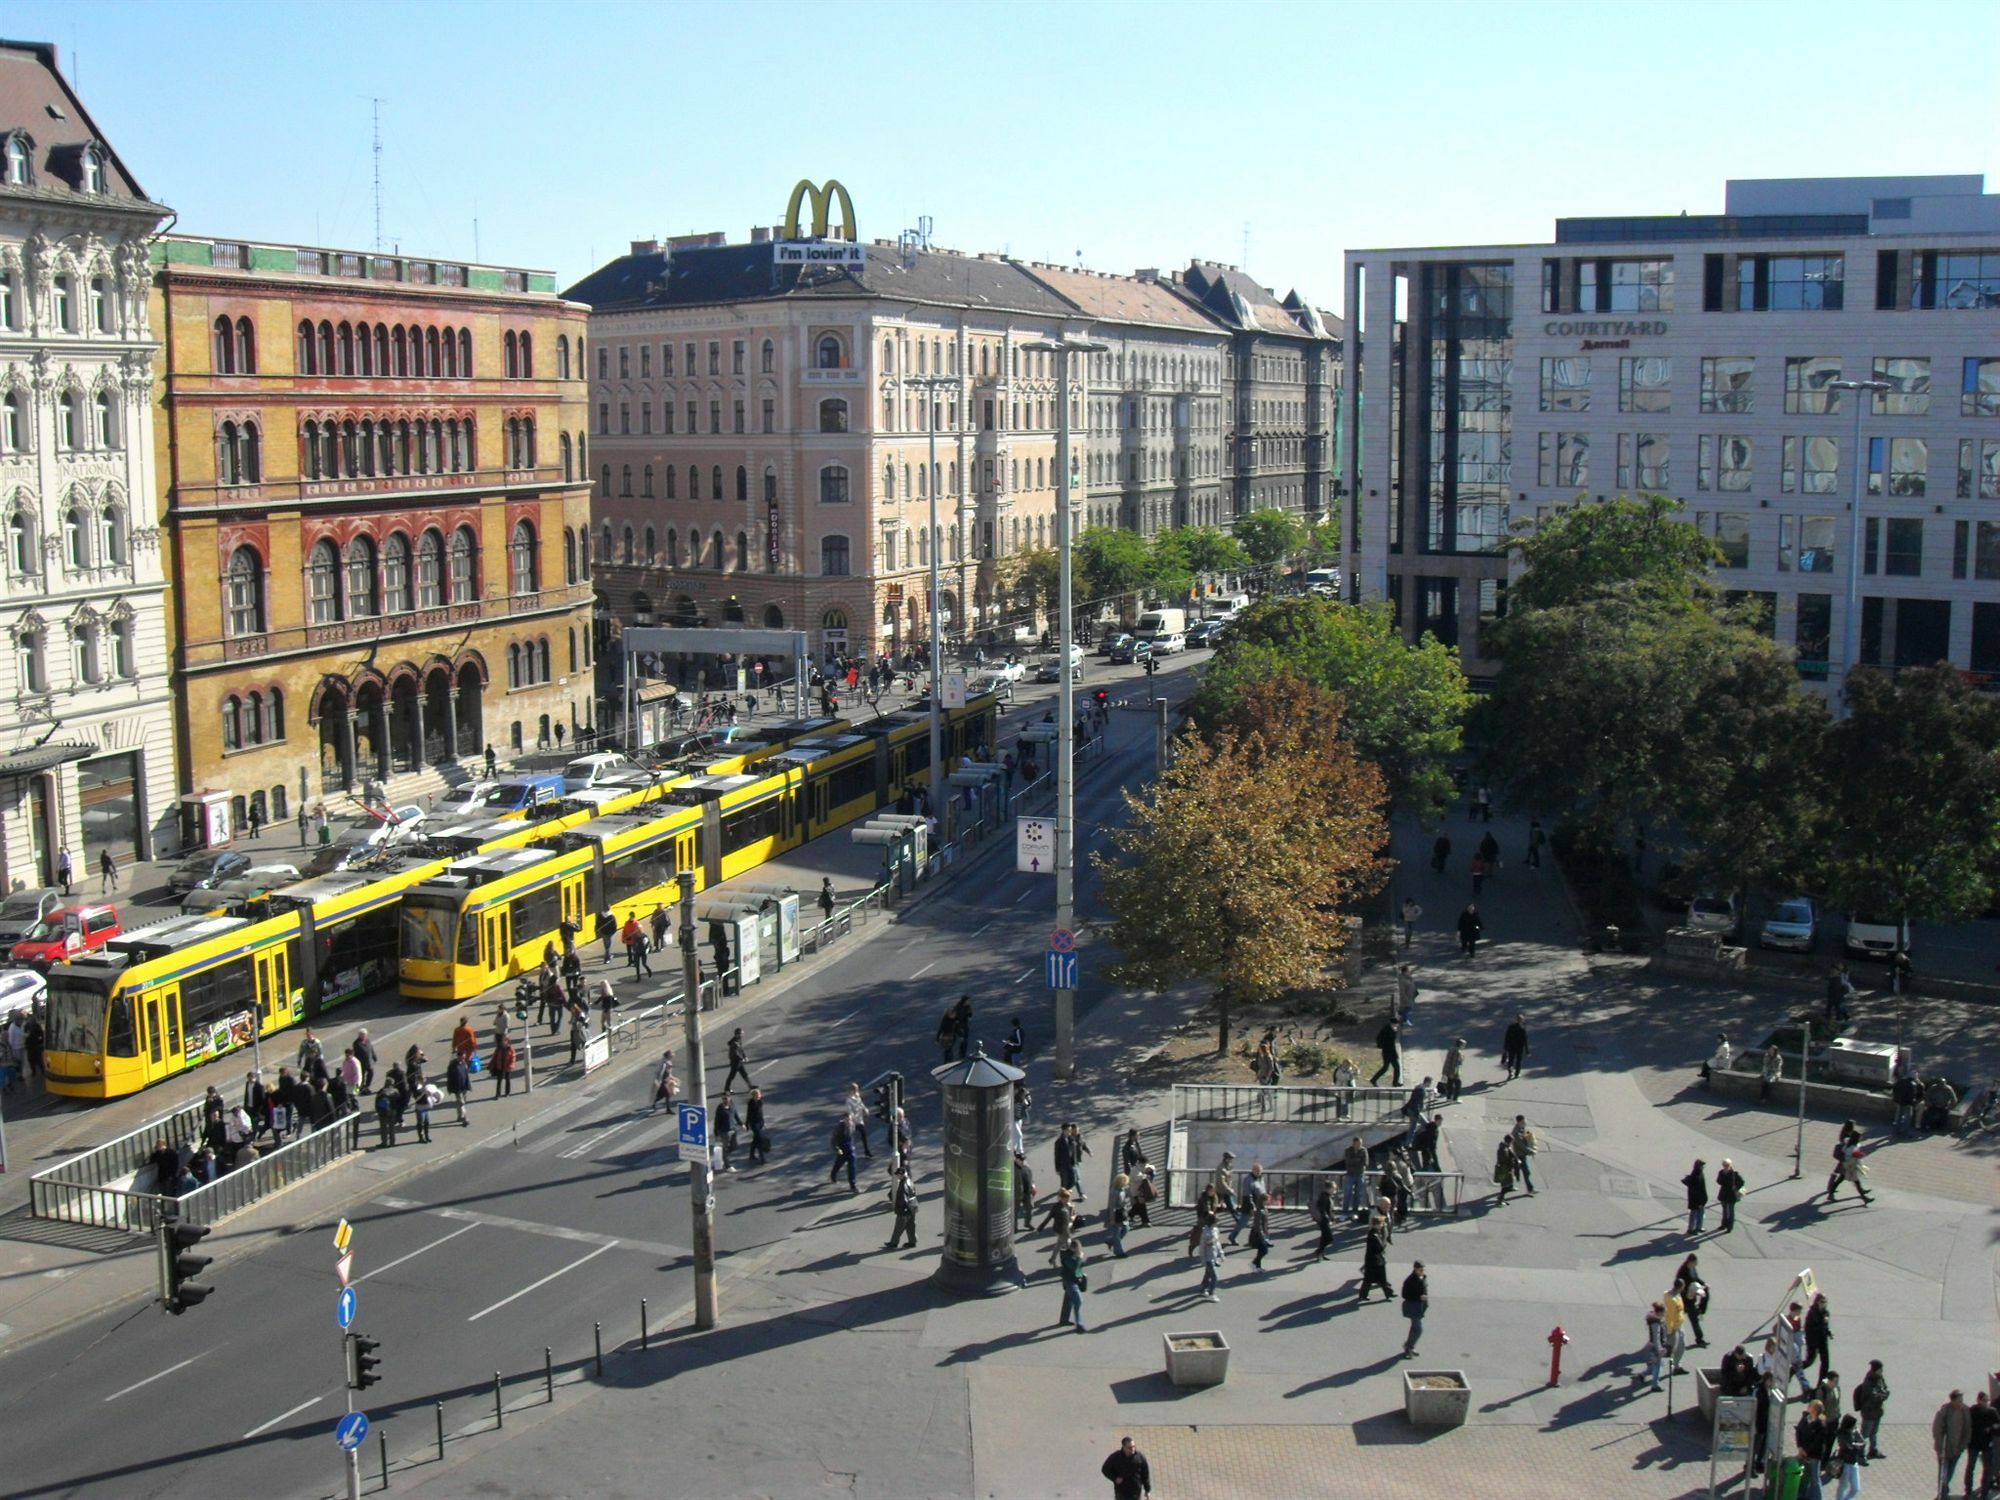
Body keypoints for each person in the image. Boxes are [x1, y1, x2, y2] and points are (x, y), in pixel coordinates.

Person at [1936, 1391, 1973, 1498]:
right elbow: (1938, 1430)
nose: (1961, 1403)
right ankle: (1942, 1494)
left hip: (1957, 1448)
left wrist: (1963, 1446)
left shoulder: (1965, 1410)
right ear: (1952, 1400)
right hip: (1944, 1449)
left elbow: (1967, 1429)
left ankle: (1944, 1489)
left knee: (1950, 1471)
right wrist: (1939, 1449)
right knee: (1943, 1473)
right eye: (1959, 1400)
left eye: (1962, 1400)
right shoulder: (1945, 1411)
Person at [1853, 1359, 1890, 1461]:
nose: (1882, 1372)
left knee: (1874, 1432)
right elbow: (1874, 1397)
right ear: (1875, 1370)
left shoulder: (1879, 1378)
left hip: (1877, 1411)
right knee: (1864, 1434)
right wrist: (1883, 1395)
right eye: (1880, 1370)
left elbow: (1885, 1389)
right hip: (1869, 1412)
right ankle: (1860, 1454)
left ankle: (1873, 1450)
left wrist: (1884, 1393)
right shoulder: (1868, 1382)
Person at [1673, 1253, 1710, 1348]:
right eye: (1695, 1263)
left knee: (1706, 1293)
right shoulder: (1683, 1271)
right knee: (1693, 1319)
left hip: (1691, 1296)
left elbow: (1696, 1278)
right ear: (1690, 1262)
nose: (1696, 1264)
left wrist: (1703, 1283)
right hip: (1686, 1299)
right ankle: (1699, 1339)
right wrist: (1691, 1290)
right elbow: (1679, 1284)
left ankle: (1700, 1310)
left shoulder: (1692, 1269)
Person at [1966, 1390, 1998, 1498]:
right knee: (1970, 1467)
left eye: (1987, 1400)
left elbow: (1997, 1425)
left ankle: (1984, 1492)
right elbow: (1967, 1425)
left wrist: (1992, 1429)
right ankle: (1968, 1491)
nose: (1986, 1403)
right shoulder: (1972, 1411)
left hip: (1987, 1444)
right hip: (1973, 1444)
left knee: (1987, 1469)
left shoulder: (1992, 1411)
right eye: (1984, 1400)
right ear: (1978, 1400)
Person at [1100, 1436, 1152, 1500]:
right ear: (1124, 1447)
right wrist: (1115, 1478)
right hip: (1121, 1492)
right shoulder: (1116, 1457)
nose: (1133, 1449)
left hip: (1135, 1492)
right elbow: (1105, 1469)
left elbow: (1145, 1474)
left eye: (1134, 1446)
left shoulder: (1140, 1457)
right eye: (1130, 1447)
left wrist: (1147, 1490)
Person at [1357, 1215, 1393, 1303]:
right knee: (1375, 1279)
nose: (1383, 1225)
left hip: (1373, 1260)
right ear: (1377, 1224)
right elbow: (1379, 1248)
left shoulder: (1375, 1233)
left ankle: (1388, 1293)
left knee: (1374, 1279)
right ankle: (1387, 1293)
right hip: (1374, 1260)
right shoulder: (1374, 1235)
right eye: (1382, 1223)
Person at [1057, 1234, 1089, 1331]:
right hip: (1070, 1280)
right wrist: (1079, 1258)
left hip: (1074, 1279)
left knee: (1068, 1300)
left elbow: (1080, 1266)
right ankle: (1079, 1324)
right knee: (1077, 1300)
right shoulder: (1066, 1255)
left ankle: (1064, 1320)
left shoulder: (1071, 1254)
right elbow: (1073, 1267)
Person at [1400, 1261, 1429, 1358]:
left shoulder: (1422, 1277)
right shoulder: (1410, 1280)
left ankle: (1410, 1346)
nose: (1423, 1271)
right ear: (1415, 1269)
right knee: (1418, 1329)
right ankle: (1408, 1346)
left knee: (1414, 1328)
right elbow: (1404, 1295)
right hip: (1413, 1306)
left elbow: (1424, 1288)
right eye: (1421, 1269)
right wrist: (1419, 1296)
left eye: (1423, 1269)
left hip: (1420, 1306)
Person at [1804, 1292, 1833, 1385]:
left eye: (1825, 1302)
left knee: (1826, 1363)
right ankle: (1794, 1369)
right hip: (1813, 1341)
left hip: (1823, 1341)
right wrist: (1822, 1323)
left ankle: (1820, 1384)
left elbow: (1825, 1326)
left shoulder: (1826, 1313)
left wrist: (1828, 1332)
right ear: (1817, 1302)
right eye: (1822, 1302)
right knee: (1810, 1361)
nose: (1824, 1304)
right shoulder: (1812, 1313)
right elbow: (1809, 1329)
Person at [1833, 1414, 1864, 1500]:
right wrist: (1855, 1445)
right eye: (1854, 1424)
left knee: (1856, 1488)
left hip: (1854, 1462)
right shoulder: (1842, 1433)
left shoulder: (1855, 1431)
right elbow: (1847, 1446)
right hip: (1844, 1463)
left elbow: (1862, 1442)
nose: (1855, 1426)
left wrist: (1855, 1444)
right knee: (1843, 1485)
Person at [1196, 1216, 1225, 1302]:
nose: (1217, 1224)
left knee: (1208, 1274)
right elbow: (1202, 1247)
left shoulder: (1215, 1230)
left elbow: (1217, 1242)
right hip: (1208, 1258)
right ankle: (1211, 1292)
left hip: (1214, 1255)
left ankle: (1203, 1289)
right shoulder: (1206, 1233)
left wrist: (1221, 1253)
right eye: (1216, 1222)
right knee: (1215, 1277)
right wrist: (1203, 1259)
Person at [1510, 1115, 1539, 1195]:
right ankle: (1530, 1189)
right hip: (1519, 1155)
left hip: (1521, 1155)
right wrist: (1531, 1151)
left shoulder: (1521, 1128)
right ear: (1519, 1122)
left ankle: (1508, 1185)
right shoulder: (1516, 1133)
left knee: (1516, 1171)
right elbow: (1521, 1146)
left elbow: (1524, 1138)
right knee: (1526, 1172)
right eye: (1524, 1121)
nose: (1525, 1123)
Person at [1370, 1017, 1402, 1087]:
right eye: (1396, 1024)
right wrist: (1382, 1046)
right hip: (1387, 1051)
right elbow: (1379, 1038)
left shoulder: (1393, 1029)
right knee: (1385, 1068)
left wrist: (1394, 1031)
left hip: (1392, 1051)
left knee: (1397, 1067)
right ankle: (1373, 1080)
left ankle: (1395, 1082)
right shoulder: (1386, 1029)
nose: (1397, 1025)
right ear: (1392, 1023)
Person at [844, 1081, 873, 1158]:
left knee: (864, 1135)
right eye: (855, 1090)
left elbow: (861, 1104)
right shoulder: (848, 1100)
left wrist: (865, 1109)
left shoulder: (857, 1097)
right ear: (851, 1090)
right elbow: (849, 1111)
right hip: (853, 1122)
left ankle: (867, 1151)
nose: (857, 1091)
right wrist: (854, 1118)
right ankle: (847, 1152)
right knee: (850, 1137)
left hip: (859, 1120)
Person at [1643, 1301, 1668, 1392]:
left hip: (1653, 1346)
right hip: (1655, 1348)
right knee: (1658, 1366)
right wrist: (1660, 1350)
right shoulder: (1656, 1324)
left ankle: (1643, 1374)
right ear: (1660, 1312)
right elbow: (1656, 1338)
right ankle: (1655, 1385)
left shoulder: (1655, 1319)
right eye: (1664, 1312)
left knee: (1655, 1364)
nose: (1665, 1313)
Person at [1715, 1158, 1745, 1232]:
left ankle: (1730, 1227)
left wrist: (1736, 1186)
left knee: (1730, 1211)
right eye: (1724, 1165)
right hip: (1723, 1194)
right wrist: (1723, 1182)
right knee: (1724, 1210)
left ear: (1730, 1165)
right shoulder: (1721, 1172)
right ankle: (1723, 1225)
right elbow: (1718, 1181)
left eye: (1727, 1165)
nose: (1726, 1166)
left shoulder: (1734, 1173)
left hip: (1731, 1194)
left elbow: (1742, 1182)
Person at [829, 1115, 857, 1193]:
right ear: (844, 1120)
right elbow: (833, 1140)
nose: (849, 1122)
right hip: (842, 1149)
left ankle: (852, 1185)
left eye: (850, 1120)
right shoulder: (839, 1128)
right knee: (839, 1164)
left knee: (852, 1167)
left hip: (850, 1150)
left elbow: (851, 1136)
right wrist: (837, 1149)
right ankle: (833, 1174)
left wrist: (852, 1145)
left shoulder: (852, 1126)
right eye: (847, 1120)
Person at [1107, 1172, 1132, 1258]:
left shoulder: (1122, 1190)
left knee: (1126, 1228)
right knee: (1116, 1234)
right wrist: (1112, 1219)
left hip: (1122, 1212)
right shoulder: (1114, 1192)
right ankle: (1119, 1252)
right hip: (1116, 1214)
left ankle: (1111, 1241)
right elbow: (1112, 1207)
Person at [1682, 1159, 1710, 1235]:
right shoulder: (1696, 1175)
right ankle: (1691, 1229)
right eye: (1702, 1166)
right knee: (1694, 1213)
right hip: (1696, 1199)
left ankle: (1698, 1227)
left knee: (1700, 1213)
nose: (1703, 1167)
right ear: (1699, 1166)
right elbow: (1697, 1190)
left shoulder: (1698, 1173)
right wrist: (1701, 1200)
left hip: (1699, 1199)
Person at [1014, 1152, 1039, 1232]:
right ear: (1017, 1160)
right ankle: (1014, 1227)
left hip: (1027, 1192)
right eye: (1021, 1160)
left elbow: (1031, 1178)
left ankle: (1027, 1223)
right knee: (1015, 1211)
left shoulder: (1027, 1167)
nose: (1023, 1161)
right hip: (1016, 1194)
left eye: (1024, 1160)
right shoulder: (1012, 1169)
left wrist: (1033, 1186)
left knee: (1029, 1208)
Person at [745, 1088, 769, 1166]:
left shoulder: (760, 1102)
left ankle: (751, 1155)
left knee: (755, 1139)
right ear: (753, 1096)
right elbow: (748, 1114)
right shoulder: (751, 1103)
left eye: (759, 1095)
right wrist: (747, 1124)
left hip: (760, 1122)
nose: (759, 1096)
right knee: (759, 1140)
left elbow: (761, 1113)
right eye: (757, 1095)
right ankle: (762, 1158)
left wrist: (763, 1122)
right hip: (754, 1123)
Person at [1502, 1014, 1529, 1080]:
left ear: (1516, 1020)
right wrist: (1527, 1050)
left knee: (1511, 1060)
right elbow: (1525, 1040)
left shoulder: (1511, 1027)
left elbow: (1507, 1038)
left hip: (1511, 1047)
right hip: (1519, 1048)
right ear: (1522, 1020)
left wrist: (1505, 1047)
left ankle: (1510, 1071)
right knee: (1518, 1061)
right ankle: (1517, 1073)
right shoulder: (1522, 1029)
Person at [723, 1028, 750, 1093]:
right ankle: (727, 1088)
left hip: (739, 1061)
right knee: (732, 1076)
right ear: (738, 1034)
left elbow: (741, 1050)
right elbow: (735, 1053)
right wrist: (742, 1058)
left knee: (744, 1074)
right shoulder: (734, 1043)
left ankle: (750, 1086)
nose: (743, 1035)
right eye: (742, 1034)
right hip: (735, 1062)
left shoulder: (738, 1040)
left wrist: (745, 1056)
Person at [1494, 1137, 1518, 1203]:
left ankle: (1502, 1195)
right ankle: (1500, 1199)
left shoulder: (1506, 1147)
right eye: (1511, 1142)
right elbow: (1505, 1160)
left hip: (1506, 1168)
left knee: (1508, 1183)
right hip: (1505, 1169)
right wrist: (1511, 1164)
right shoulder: (1504, 1150)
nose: (1512, 1144)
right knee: (1505, 1185)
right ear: (1509, 1142)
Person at [1442, 1038, 1465, 1103]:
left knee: (1449, 1085)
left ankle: (1448, 1098)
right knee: (1458, 1085)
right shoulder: (1458, 1052)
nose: (1464, 1047)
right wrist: (1453, 1073)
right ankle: (1455, 1099)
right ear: (1460, 1045)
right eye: (1463, 1045)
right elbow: (1455, 1063)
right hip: (1454, 1072)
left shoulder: (1451, 1049)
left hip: (1447, 1070)